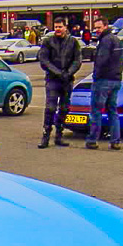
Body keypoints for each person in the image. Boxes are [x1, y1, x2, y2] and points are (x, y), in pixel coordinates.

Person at [37, 16, 82, 149]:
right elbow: (43, 60)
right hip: (52, 79)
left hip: (67, 80)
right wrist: (57, 72)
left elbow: (77, 60)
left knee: (64, 108)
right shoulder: (48, 41)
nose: (57, 29)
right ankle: (45, 136)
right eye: (56, 27)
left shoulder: (73, 42)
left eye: (60, 27)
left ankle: (59, 136)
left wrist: (68, 73)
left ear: (65, 27)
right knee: (50, 108)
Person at [86, 17, 123, 150]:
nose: (96, 30)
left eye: (99, 27)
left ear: (106, 26)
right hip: (116, 80)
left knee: (96, 111)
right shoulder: (117, 41)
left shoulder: (105, 41)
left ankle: (92, 140)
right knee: (112, 111)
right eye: (95, 28)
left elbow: (101, 61)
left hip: (103, 81)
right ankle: (115, 141)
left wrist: (96, 76)